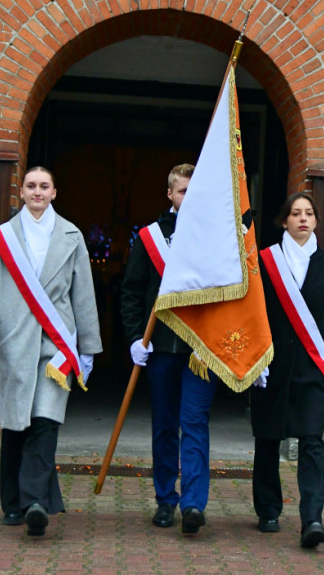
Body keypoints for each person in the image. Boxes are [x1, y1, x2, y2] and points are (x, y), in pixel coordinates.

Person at [0, 166, 102, 537]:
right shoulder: (2, 237)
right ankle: (13, 502)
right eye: (31, 186)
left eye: (44, 186)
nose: (37, 192)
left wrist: (87, 346)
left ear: (55, 192)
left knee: (45, 421)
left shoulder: (71, 235)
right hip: (14, 340)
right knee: (16, 424)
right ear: (21, 192)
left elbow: (83, 293)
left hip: (57, 344)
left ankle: (34, 502)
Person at [119, 163, 218, 535]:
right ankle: (165, 500)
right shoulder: (149, 238)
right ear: (170, 194)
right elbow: (131, 292)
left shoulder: (217, 238)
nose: (187, 198)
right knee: (164, 426)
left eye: (194, 192)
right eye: (182, 191)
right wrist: (133, 338)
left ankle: (194, 503)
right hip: (159, 348)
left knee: (194, 424)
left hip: (200, 351)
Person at [252, 192, 324, 549]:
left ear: (316, 221)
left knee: (312, 441)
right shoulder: (265, 261)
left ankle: (312, 518)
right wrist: (255, 358)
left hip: (312, 368)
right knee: (268, 439)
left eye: (309, 214)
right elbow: (254, 314)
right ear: (284, 220)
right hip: (272, 365)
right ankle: (268, 510)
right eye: (296, 213)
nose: (303, 219)